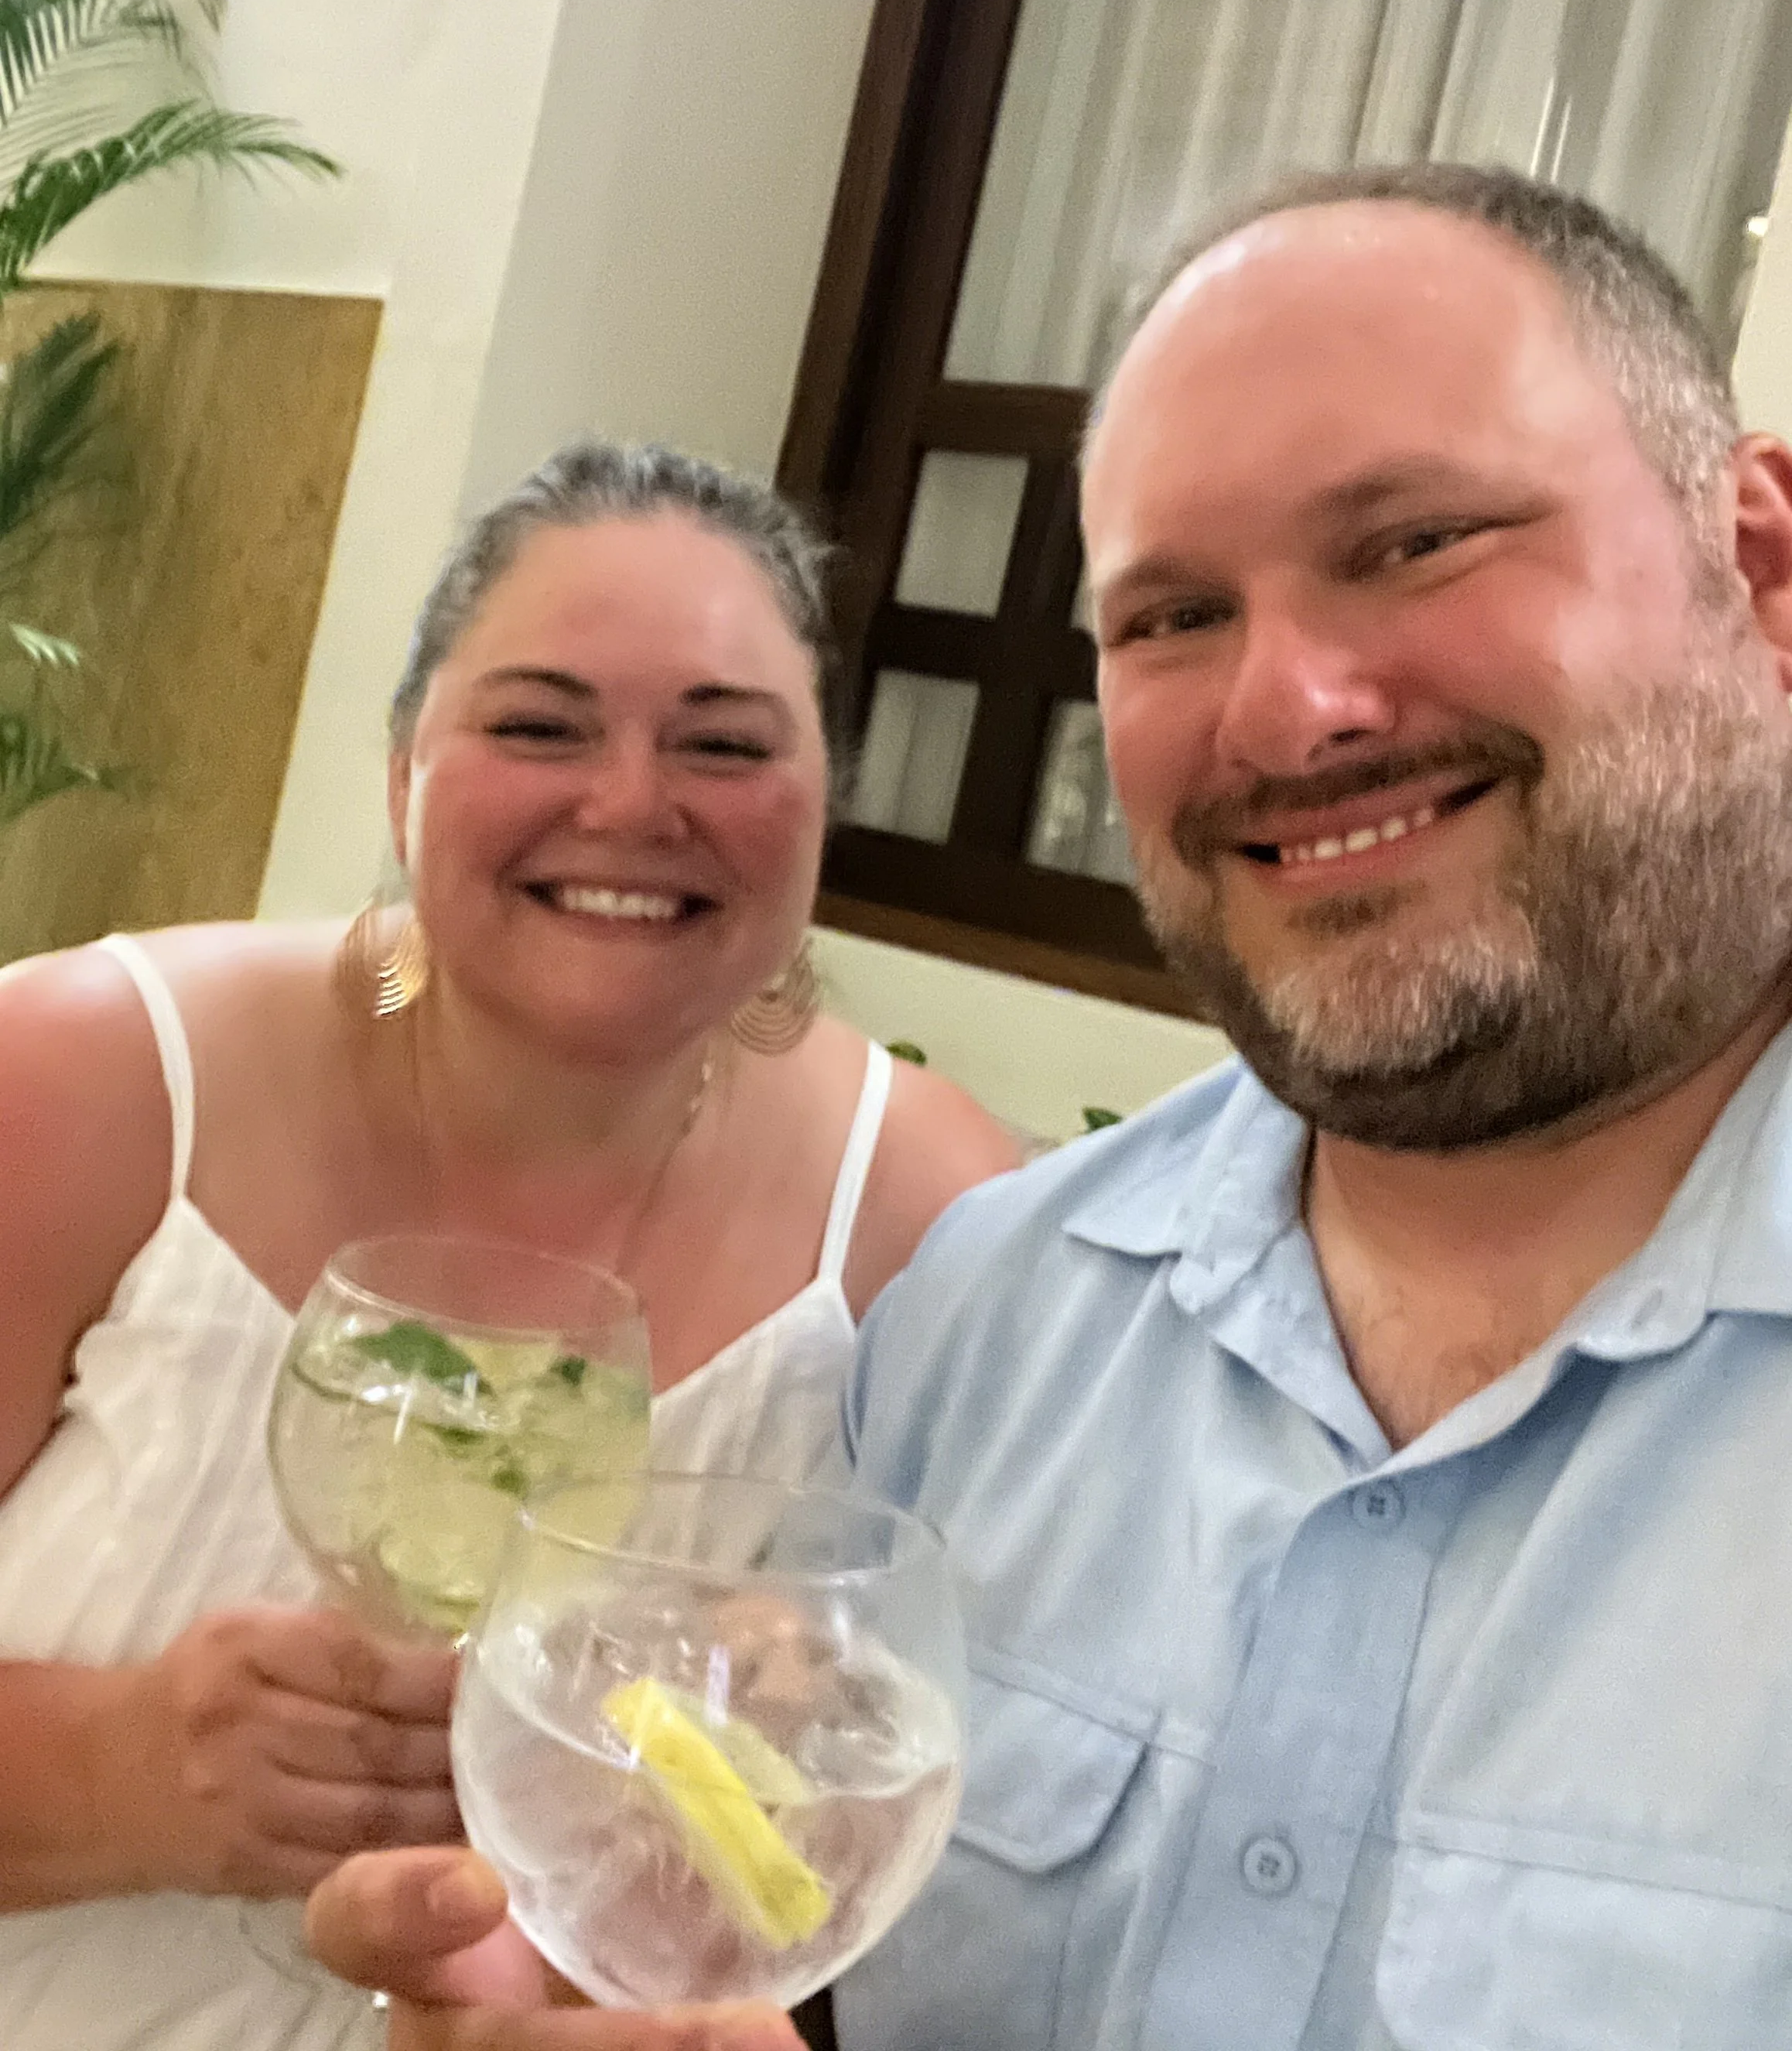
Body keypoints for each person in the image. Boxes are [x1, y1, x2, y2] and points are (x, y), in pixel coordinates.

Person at [316, 159, 1792, 2050]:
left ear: (1756, 563)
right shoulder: (988, 1329)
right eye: (1174, 613)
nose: (1290, 710)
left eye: (1415, 540)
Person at [0, 440, 1016, 2051]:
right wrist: (119, 1770)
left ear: (829, 798)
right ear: (406, 763)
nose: (630, 801)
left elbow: (964, 1865)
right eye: (538, 725)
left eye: (726, 742)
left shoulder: (937, 1216)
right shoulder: (80, 1082)